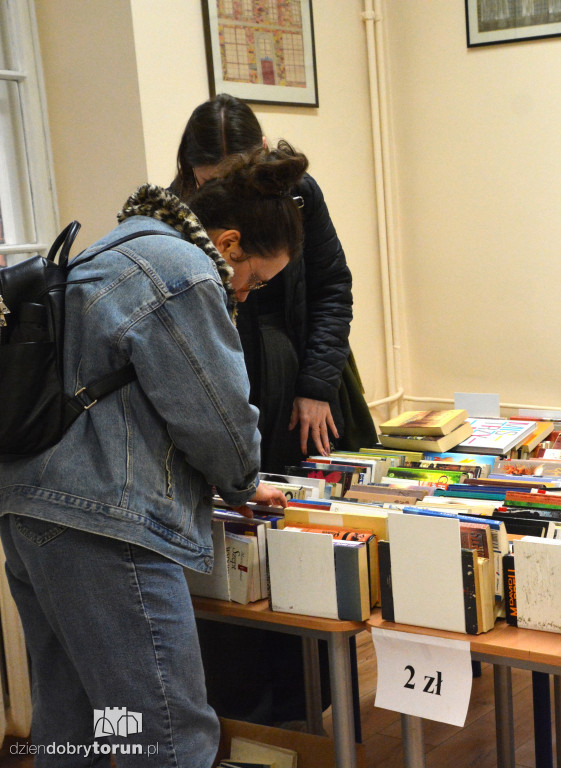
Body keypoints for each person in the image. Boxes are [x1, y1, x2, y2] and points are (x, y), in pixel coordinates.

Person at [0, 143, 308, 767]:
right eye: (255, 279)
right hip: (106, 527)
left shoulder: (116, 248)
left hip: (31, 511)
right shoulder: (183, 272)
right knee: (166, 734)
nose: (246, 295)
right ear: (228, 244)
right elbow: (217, 416)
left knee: (76, 721)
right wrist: (245, 481)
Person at [170, 94, 377, 728]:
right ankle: (241, 716)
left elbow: (333, 285)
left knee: (297, 541)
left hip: (296, 395)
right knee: (230, 543)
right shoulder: (171, 212)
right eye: (208, 181)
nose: (220, 190)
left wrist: (316, 382)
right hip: (223, 387)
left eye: (230, 174)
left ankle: (301, 714)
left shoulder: (298, 194)